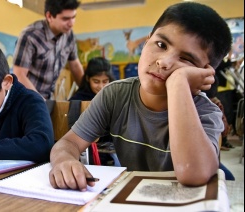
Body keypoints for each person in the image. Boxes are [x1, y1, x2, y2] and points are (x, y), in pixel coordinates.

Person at [49, 2, 232, 191]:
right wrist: (64, 160)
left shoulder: (205, 111)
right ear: (146, 42)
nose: (164, 61)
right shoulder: (115, 94)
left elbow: (193, 173)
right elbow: (68, 142)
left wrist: (179, 83)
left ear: (204, 74)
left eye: (186, 59)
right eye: (161, 44)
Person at [13, 0, 84, 100]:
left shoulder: (69, 35)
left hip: (49, 98)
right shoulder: (30, 36)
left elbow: (76, 66)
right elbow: (19, 75)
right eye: (66, 19)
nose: (71, 23)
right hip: (25, 99)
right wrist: (39, 101)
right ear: (49, 16)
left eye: (73, 17)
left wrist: (88, 92)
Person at [69, 57, 118, 166]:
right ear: (87, 79)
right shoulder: (78, 100)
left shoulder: (115, 96)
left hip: (112, 150)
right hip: (86, 152)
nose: (101, 86)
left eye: (105, 81)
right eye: (96, 81)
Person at [203, 75, 235, 180]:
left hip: (209, 157)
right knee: (229, 178)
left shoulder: (210, 104)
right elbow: (224, 131)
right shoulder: (214, 104)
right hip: (207, 159)